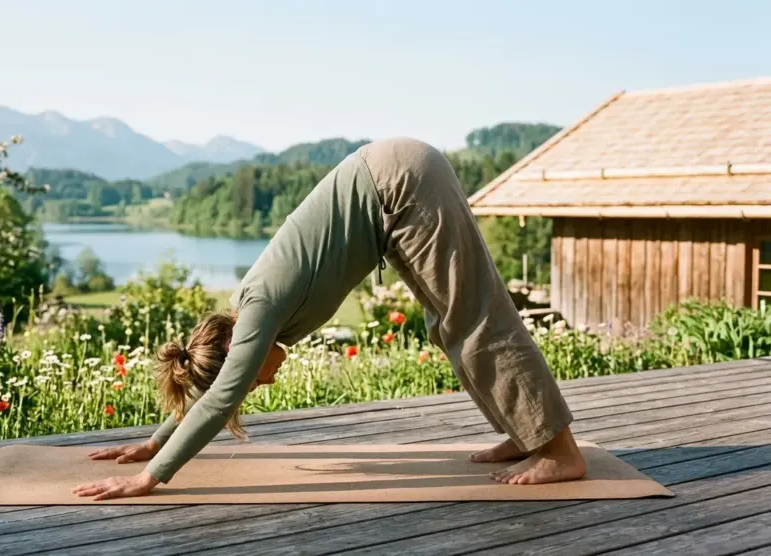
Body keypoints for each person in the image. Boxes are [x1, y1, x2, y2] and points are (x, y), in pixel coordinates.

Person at [71, 137, 586, 501]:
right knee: (451, 325)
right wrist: (154, 441)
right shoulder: (250, 317)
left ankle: (559, 451)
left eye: (249, 379)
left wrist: (151, 477)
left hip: (402, 184)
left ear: (236, 355)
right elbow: (215, 393)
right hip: (393, 187)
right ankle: (527, 434)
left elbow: (218, 398)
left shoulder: (257, 316)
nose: (258, 385)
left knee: (475, 319)